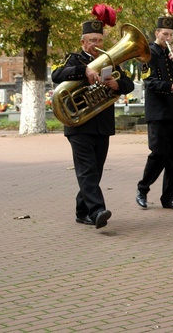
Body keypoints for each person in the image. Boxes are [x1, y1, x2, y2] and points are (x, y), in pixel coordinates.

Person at [52, 12, 135, 229]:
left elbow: (129, 84)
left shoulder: (109, 61)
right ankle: (97, 210)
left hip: (102, 124)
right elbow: (56, 75)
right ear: (83, 42)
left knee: (95, 171)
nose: (96, 44)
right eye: (92, 41)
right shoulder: (74, 59)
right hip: (79, 125)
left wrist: (118, 86)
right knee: (87, 170)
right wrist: (83, 71)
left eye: (99, 40)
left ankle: (82, 211)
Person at [135, 16, 173, 211]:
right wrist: (170, 86)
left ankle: (169, 197)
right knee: (159, 153)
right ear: (157, 33)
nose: (168, 38)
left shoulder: (172, 54)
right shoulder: (147, 54)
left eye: (171, 35)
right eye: (165, 34)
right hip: (158, 112)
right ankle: (143, 188)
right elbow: (150, 82)